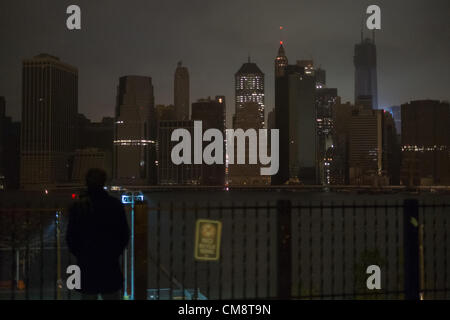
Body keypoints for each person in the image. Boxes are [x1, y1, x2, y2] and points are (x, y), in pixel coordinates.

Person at [66, 168, 130, 300]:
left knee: (89, 294)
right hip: (109, 263)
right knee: (111, 294)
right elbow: (124, 234)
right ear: (103, 182)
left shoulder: (79, 206)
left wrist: (81, 254)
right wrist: (114, 253)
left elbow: (71, 237)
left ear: (87, 183)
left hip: (87, 264)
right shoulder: (114, 205)